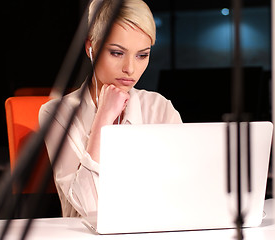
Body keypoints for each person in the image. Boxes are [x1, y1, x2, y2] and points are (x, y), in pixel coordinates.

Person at [39, 0, 182, 218]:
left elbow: (181, 193)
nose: (130, 68)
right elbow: (90, 208)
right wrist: (103, 119)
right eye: (116, 53)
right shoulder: (57, 114)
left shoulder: (160, 108)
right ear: (91, 48)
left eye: (142, 55)